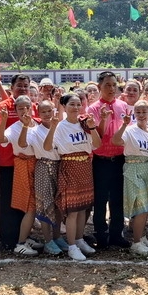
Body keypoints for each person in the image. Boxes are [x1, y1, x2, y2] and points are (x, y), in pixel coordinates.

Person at [46, 93, 101, 261]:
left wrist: (92, 128)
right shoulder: (60, 126)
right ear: (64, 106)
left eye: (79, 104)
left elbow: (97, 145)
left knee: (83, 207)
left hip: (85, 166)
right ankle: (71, 246)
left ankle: (79, 239)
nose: (76, 107)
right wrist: (53, 127)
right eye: (72, 104)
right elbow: (47, 147)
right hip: (69, 167)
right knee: (72, 210)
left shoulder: (85, 123)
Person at [0, 74, 36, 251]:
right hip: (9, 162)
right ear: (12, 87)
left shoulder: (32, 106)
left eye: (26, 85)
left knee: (27, 201)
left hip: (29, 162)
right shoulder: (3, 106)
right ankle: (9, 239)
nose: (23, 88)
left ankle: (24, 236)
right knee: (9, 202)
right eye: (19, 85)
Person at [86, 71, 130, 249]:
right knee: (100, 199)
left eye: (114, 85)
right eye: (107, 85)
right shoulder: (93, 109)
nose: (112, 89)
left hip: (119, 160)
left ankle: (116, 234)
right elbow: (97, 135)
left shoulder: (123, 106)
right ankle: (101, 234)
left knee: (118, 199)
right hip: (101, 161)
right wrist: (103, 120)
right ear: (99, 87)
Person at [112, 100, 148, 256]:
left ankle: (142, 237)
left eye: (144, 112)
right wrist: (123, 125)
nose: (141, 115)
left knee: (146, 206)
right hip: (133, 169)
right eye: (138, 112)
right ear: (134, 114)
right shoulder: (130, 130)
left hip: (147, 168)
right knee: (141, 206)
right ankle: (136, 243)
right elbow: (115, 141)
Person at [0, 96, 40, 256]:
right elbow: (1, 139)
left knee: (33, 205)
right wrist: (3, 120)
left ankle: (25, 237)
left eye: (27, 107)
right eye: (20, 108)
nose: (24, 111)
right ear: (15, 111)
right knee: (29, 205)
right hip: (24, 165)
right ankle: (20, 243)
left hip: (38, 164)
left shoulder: (38, 123)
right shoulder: (14, 127)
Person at [27, 100, 66, 256]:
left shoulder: (61, 127)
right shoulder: (35, 131)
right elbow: (47, 147)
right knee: (45, 204)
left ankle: (57, 236)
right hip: (44, 166)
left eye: (49, 110)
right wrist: (54, 127)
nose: (47, 114)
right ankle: (48, 240)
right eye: (43, 112)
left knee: (58, 205)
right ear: (38, 113)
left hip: (59, 166)